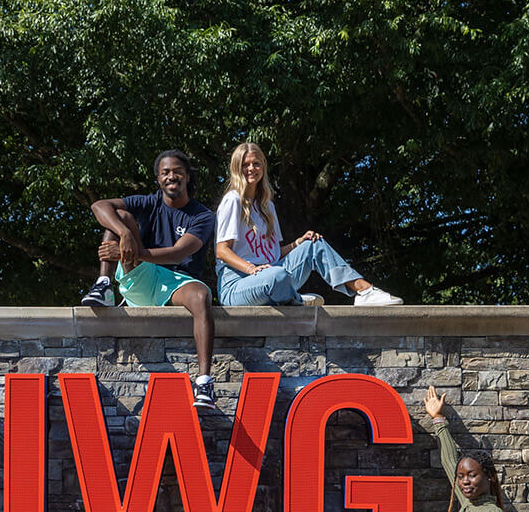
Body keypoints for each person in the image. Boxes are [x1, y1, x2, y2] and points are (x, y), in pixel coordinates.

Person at [82, 150, 220, 411]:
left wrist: (133, 251)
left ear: (188, 177)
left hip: (181, 280)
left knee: (201, 297)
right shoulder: (148, 202)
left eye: (177, 171)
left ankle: (204, 383)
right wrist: (124, 235)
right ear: (158, 179)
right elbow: (98, 205)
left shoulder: (203, 215)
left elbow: (180, 252)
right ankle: (103, 286)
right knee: (119, 216)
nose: (171, 176)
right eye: (165, 172)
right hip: (145, 275)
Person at [213, 142, 401, 308]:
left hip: (269, 275)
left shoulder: (267, 206)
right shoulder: (233, 200)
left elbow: (273, 253)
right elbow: (221, 250)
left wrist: (297, 244)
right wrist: (251, 269)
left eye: (256, 163)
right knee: (277, 276)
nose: (251, 169)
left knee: (313, 245)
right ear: (237, 168)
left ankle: (364, 291)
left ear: (263, 167)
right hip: (237, 285)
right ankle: (295, 299)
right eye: (245, 165)